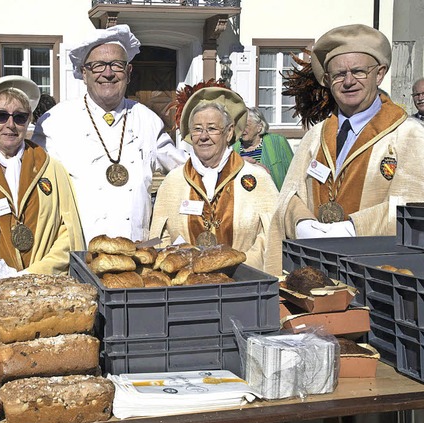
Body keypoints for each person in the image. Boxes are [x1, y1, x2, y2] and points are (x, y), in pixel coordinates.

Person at [266, 24, 424, 276]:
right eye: (339, 74)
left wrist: (354, 227)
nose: (348, 81)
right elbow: (289, 194)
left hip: (377, 275)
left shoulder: (409, 134)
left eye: (359, 71)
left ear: (379, 74)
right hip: (316, 268)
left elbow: (415, 205)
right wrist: (301, 222)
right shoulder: (315, 137)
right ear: (327, 80)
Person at [32, 24, 187, 244]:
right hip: (78, 254)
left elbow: (183, 168)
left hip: (136, 253)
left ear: (129, 72)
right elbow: (32, 181)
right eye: (98, 66)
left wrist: (231, 163)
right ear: (84, 74)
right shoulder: (54, 122)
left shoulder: (147, 119)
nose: (108, 73)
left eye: (116, 65)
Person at [0, 76, 84, 277]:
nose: (10, 124)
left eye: (19, 117)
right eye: (1, 116)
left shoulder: (51, 168)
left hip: (44, 288)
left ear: (29, 120)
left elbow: (69, 233)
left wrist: (34, 273)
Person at [150, 88, 278, 270]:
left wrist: (238, 266)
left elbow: (271, 237)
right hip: (187, 287)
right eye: (197, 129)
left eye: (212, 129)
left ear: (229, 132)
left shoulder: (257, 179)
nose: (203, 136)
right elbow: (160, 239)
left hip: (242, 283)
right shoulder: (173, 181)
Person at [232, 107, 293, 190]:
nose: (242, 130)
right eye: (240, 126)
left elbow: (293, 172)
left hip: (274, 197)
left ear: (259, 127)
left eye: (246, 125)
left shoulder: (277, 141)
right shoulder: (234, 147)